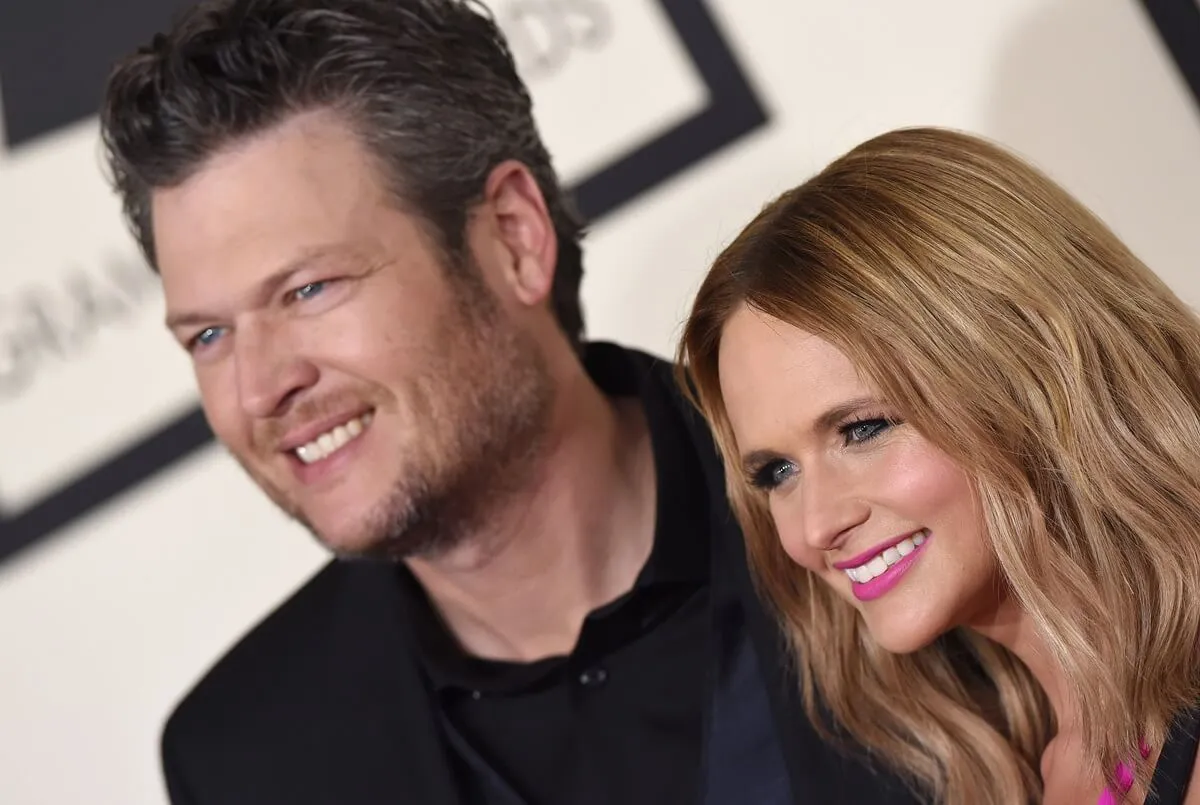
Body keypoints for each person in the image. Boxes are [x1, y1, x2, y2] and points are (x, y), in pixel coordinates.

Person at [98, 2, 924, 804]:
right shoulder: (244, 759)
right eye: (208, 336)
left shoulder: (889, 501)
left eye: (309, 288)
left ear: (513, 237)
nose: (258, 387)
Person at [679, 125, 1200, 805]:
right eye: (778, 472)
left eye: (862, 428)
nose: (815, 527)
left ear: (1024, 375)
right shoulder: (1028, 767)